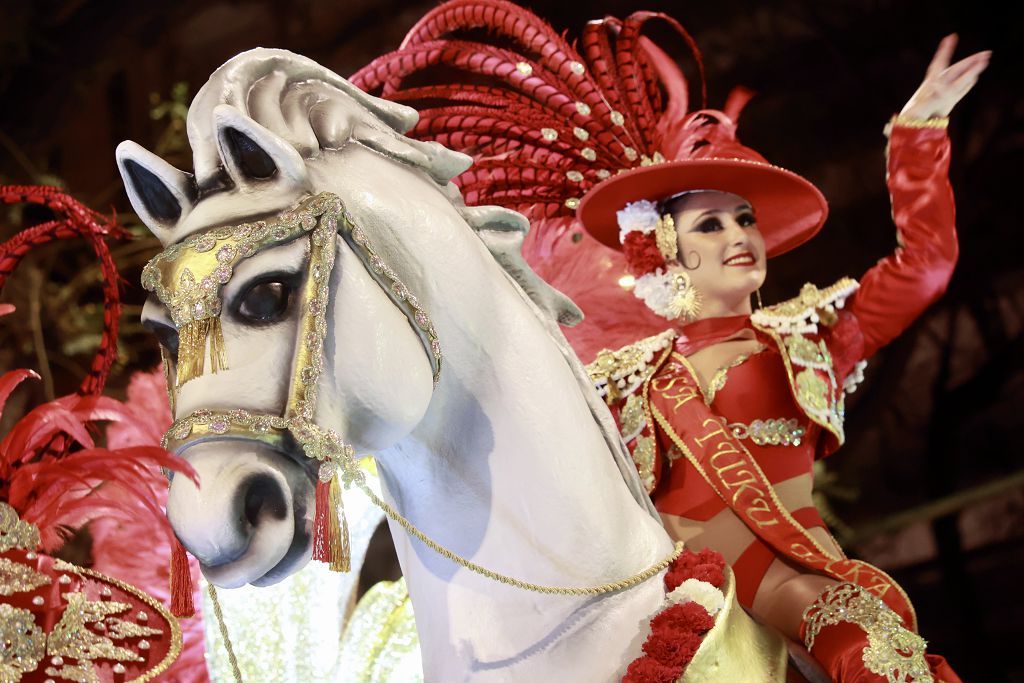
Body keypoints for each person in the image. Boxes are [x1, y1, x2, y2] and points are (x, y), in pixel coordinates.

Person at [353, 5, 987, 680]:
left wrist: (919, 133)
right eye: (710, 225)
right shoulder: (622, 377)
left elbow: (926, 265)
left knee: (870, 648)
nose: (739, 235)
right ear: (663, 249)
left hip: (791, 584)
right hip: (662, 598)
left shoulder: (811, 338)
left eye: (745, 220)